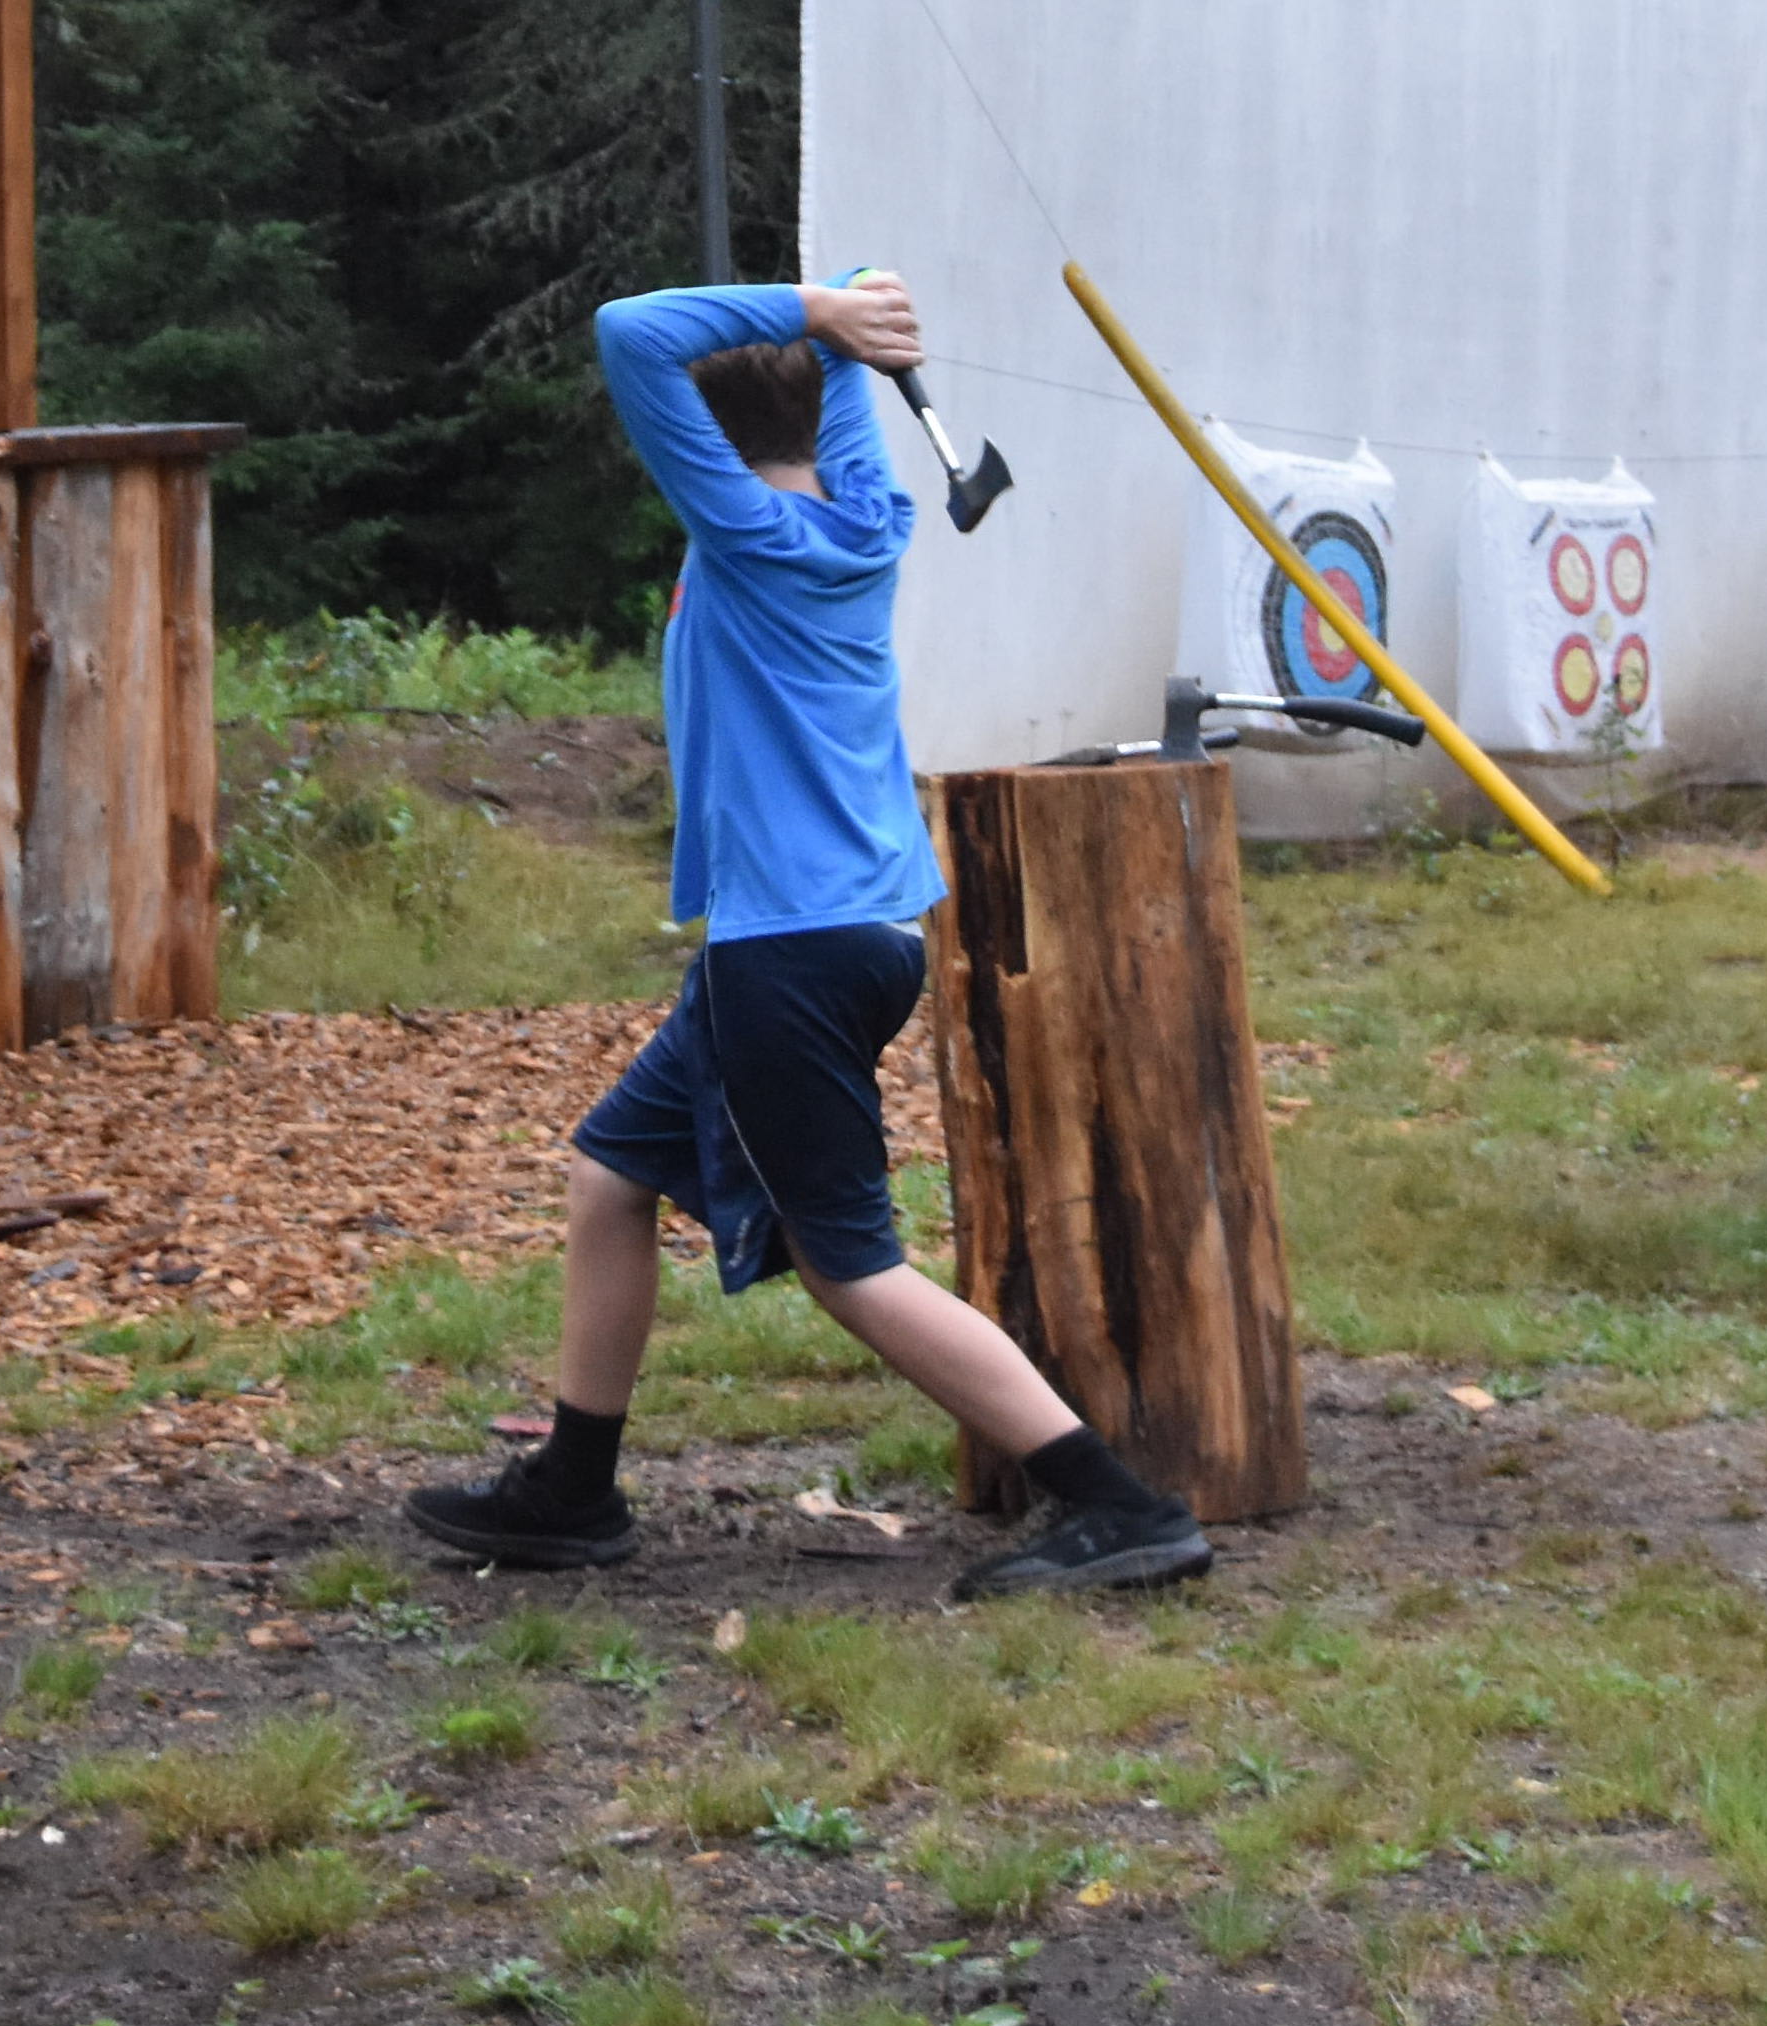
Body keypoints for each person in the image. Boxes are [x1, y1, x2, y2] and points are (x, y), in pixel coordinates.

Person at [400, 271, 1211, 1599]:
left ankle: (1116, 1501)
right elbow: (825, 383)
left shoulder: (748, 534)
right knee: (610, 1175)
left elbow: (626, 331)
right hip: (846, 932)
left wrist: (818, 312)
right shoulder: (872, 513)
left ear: (703, 436)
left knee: (852, 1268)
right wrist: (849, 324)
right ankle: (574, 1485)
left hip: (791, 951)